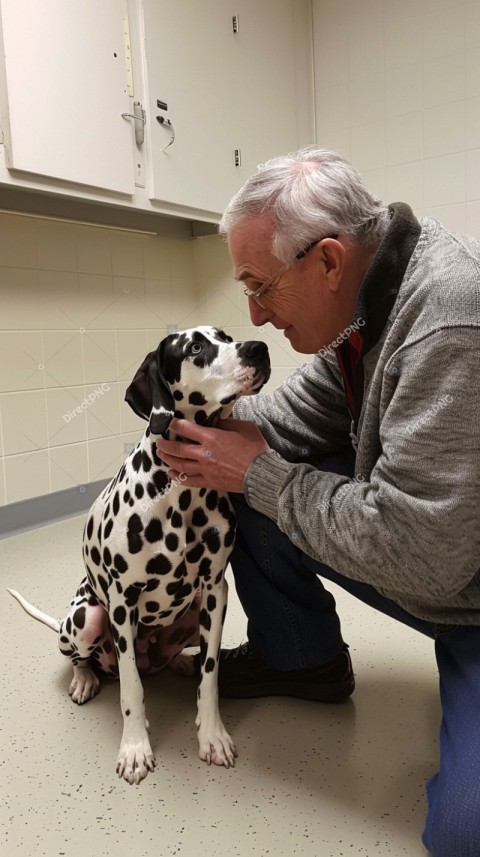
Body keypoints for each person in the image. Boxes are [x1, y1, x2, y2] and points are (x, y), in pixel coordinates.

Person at [155, 146, 480, 857]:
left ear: (327, 260)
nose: (254, 314)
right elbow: (284, 422)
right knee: (242, 472)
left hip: (457, 581)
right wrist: (191, 431)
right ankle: (300, 658)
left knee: (464, 833)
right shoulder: (369, 308)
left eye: (259, 285)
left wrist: (257, 472)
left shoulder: (446, 320)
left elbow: (426, 561)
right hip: (453, 568)